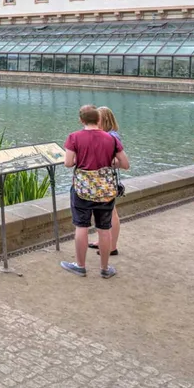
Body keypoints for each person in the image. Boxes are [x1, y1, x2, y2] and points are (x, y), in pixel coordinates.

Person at [62, 104, 129, 279]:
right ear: (98, 120)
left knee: (81, 226)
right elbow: (125, 164)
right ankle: (105, 269)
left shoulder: (74, 137)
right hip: (105, 190)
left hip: (82, 189)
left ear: (81, 120)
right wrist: (108, 162)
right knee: (104, 228)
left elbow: (68, 163)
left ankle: (80, 265)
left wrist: (79, 158)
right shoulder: (111, 139)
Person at [90, 106, 123, 258]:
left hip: (106, 178)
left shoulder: (112, 136)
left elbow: (119, 160)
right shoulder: (104, 134)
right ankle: (102, 241)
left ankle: (112, 246)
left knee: (112, 213)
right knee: (100, 212)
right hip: (99, 178)